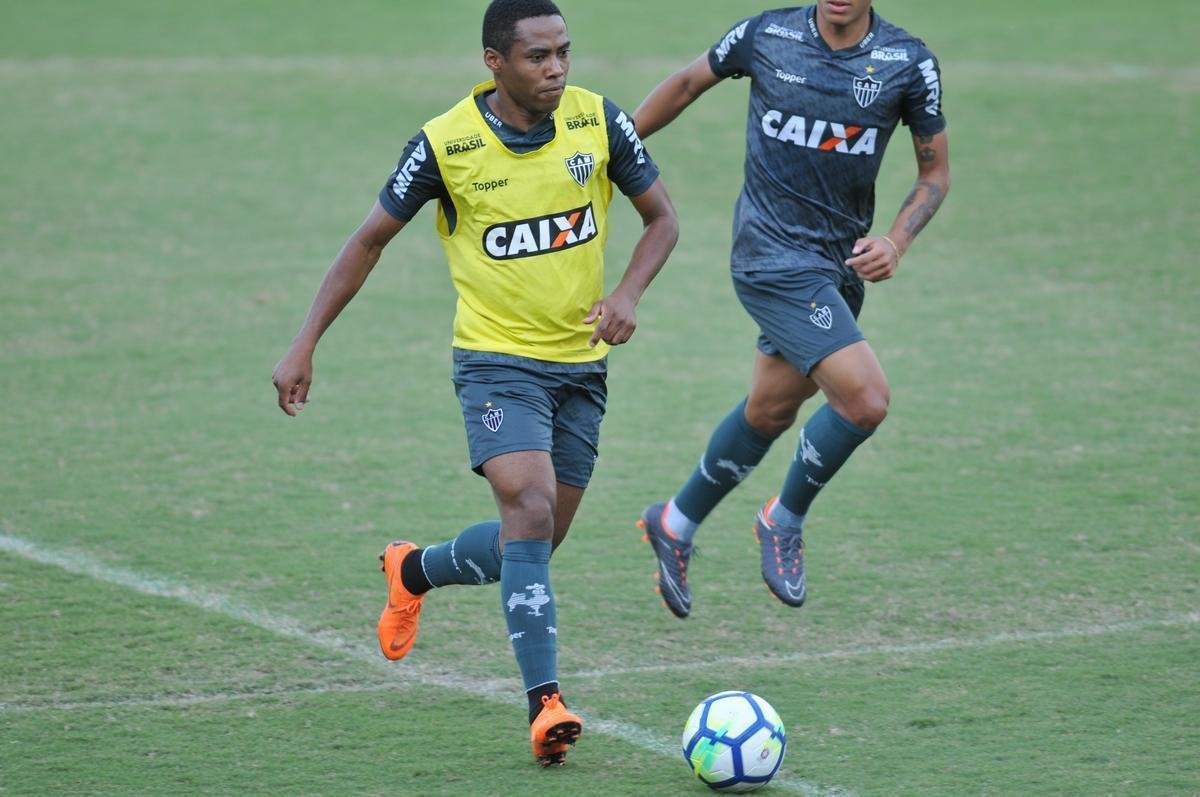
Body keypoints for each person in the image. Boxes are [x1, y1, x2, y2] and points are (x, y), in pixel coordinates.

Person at [271, 0, 677, 766]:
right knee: (526, 505)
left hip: (581, 369)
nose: (556, 68)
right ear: (494, 61)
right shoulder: (444, 144)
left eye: (563, 52)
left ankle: (412, 567)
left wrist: (626, 294)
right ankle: (545, 703)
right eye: (537, 56)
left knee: (538, 540)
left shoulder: (599, 122)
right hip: (495, 363)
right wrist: (305, 341)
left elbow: (663, 219)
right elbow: (368, 242)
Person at [633, 0, 949, 618]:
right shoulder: (767, 34)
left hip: (838, 266)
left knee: (771, 409)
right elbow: (687, 82)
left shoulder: (907, 63)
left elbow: (934, 172)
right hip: (768, 258)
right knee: (864, 400)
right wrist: (614, 148)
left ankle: (674, 521)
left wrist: (896, 240)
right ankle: (783, 518)